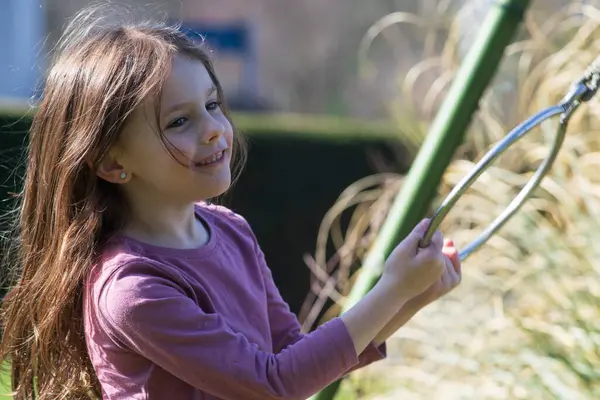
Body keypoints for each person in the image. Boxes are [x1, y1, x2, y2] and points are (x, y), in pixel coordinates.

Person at [0, 5, 462, 400]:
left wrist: (412, 298)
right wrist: (393, 289)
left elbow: (292, 355)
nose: (214, 129)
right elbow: (274, 384)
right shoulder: (133, 289)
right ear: (111, 163)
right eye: (179, 121)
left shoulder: (228, 228)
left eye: (212, 104)